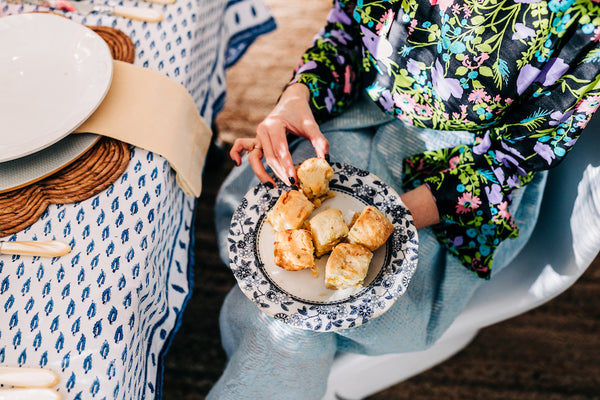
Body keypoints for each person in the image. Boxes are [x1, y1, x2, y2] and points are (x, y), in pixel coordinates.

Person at [210, 0, 600, 398]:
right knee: (264, 255)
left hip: (453, 187)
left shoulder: (584, 20)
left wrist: (380, 224)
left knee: (294, 323)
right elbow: (348, 32)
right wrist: (298, 94)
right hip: (358, 115)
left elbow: (509, 161)